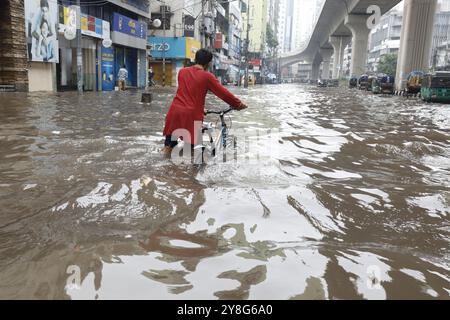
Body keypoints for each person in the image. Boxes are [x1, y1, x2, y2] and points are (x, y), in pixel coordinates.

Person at [162, 49, 247, 156]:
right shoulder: (207, 76)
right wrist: (238, 104)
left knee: (168, 147)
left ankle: (166, 169)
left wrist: (201, 109)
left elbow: (187, 93)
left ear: (196, 59)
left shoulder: (182, 72)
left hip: (174, 112)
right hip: (191, 116)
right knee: (192, 153)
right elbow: (223, 93)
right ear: (208, 63)